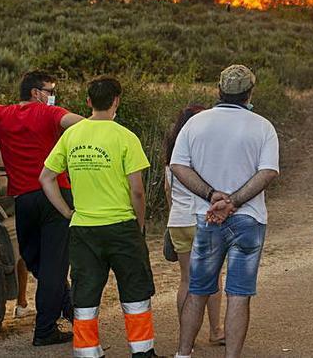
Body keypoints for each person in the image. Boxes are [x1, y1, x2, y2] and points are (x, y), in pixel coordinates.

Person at [40, 75, 157, 358]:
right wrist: (138, 226)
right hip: (121, 226)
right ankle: (142, 352)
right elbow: (137, 191)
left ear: (89, 101)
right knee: (136, 292)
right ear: (116, 101)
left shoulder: (71, 135)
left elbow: (46, 178)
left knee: (85, 295)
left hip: (84, 228)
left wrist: (69, 212)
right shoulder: (125, 137)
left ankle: (88, 352)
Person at [170, 65, 280, 358]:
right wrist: (235, 201)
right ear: (249, 93)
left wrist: (210, 194)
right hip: (249, 219)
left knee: (198, 287)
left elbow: (178, 165)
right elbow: (268, 171)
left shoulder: (196, 123)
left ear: (218, 90)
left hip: (208, 217)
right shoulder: (262, 126)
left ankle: (183, 353)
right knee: (239, 293)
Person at [0, 71, 84, 346]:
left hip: (24, 200)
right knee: (53, 266)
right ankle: (45, 330)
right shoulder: (49, 113)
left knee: (38, 263)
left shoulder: (2, 115)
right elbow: (79, 124)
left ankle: (72, 313)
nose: (52, 94)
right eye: (49, 89)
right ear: (35, 92)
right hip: (55, 195)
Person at [164, 105, 225, 347]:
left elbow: (169, 195)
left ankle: (186, 335)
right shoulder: (204, 157)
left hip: (178, 221)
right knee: (213, 279)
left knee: (186, 281)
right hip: (203, 221)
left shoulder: (171, 161)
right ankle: (216, 330)